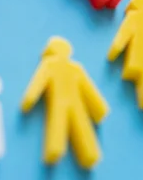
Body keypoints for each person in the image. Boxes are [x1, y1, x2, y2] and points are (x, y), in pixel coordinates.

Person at [22, 36, 109, 169]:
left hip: (59, 102)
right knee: (83, 127)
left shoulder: (49, 65)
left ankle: (55, 151)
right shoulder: (75, 68)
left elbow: (38, 85)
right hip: (76, 103)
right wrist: (100, 109)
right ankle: (90, 153)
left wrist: (29, 100)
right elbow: (89, 89)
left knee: (57, 126)